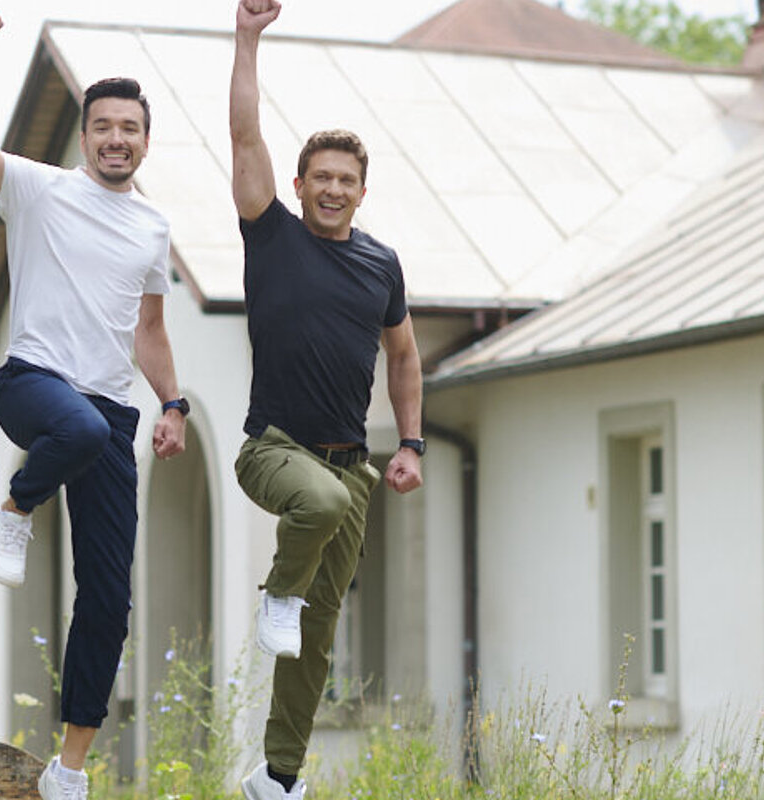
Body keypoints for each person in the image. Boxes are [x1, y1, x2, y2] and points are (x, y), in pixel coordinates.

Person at [0, 7, 188, 800]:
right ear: (85, 136)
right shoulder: (37, 189)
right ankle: (16, 507)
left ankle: (68, 768)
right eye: (104, 126)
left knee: (110, 598)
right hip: (35, 388)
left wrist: (173, 403)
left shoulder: (153, 226)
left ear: (146, 141)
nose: (117, 139)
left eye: (130, 129)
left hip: (112, 418)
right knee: (75, 424)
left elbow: (146, 329)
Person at [228, 0, 426, 797]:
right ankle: (277, 593)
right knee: (313, 507)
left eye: (348, 181)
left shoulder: (381, 265)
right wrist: (247, 39)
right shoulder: (271, 235)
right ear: (301, 184)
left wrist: (409, 443)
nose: (334, 190)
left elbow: (404, 354)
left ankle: (278, 779)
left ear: (361, 190)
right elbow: (245, 135)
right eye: (322, 179)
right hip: (274, 449)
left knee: (319, 638)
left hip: (354, 468)